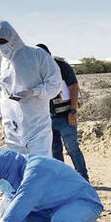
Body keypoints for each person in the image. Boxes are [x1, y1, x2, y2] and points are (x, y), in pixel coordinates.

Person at [0, 148, 103, 222]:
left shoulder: (38, 166)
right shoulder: (13, 182)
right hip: (49, 209)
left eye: (0, 179)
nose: (0, 184)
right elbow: (17, 215)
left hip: (83, 202)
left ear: (8, 170)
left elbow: (25, 198)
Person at [0, 20, 62, 156]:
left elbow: (55, 84)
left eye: (3, 41)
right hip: (11, 130)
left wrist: (34, 92)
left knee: (39, 168)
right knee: (18, 170)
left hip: (37, 127)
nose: (1, 46)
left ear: (12, 37)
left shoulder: (37, 55)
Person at [36, 43, 90, 181]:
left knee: (72, 149)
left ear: (48, 54)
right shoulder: (35, 70)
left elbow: (74, 87)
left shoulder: (61, 66)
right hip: (46, 118)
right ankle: (62, 180)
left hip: (66, 117)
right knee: (55, 151)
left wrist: (73, 110)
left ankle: (83, 179)